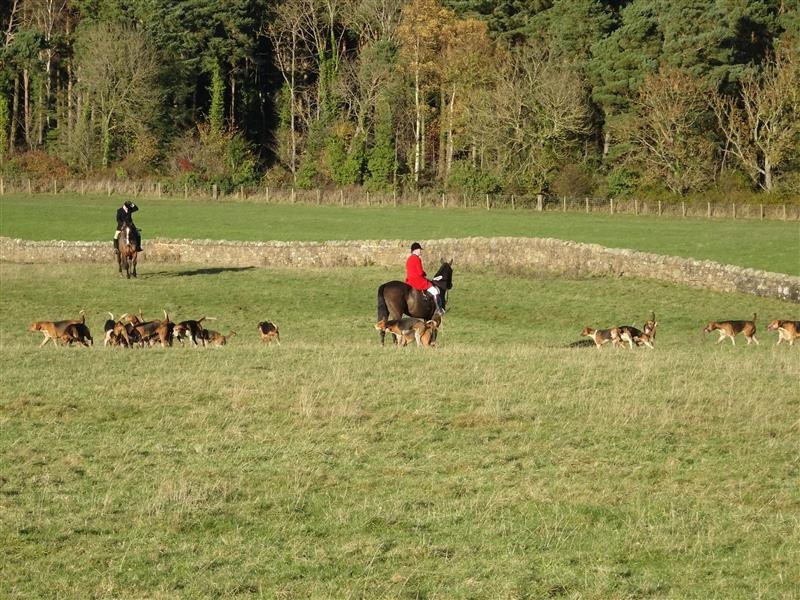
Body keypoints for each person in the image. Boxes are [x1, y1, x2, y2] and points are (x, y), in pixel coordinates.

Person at [405, 242, 444, 314]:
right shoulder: (417, 259)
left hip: (409, 280)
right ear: (416, 250)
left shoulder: (409, 259)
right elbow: (420, 272)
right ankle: (439, 309)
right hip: (418, 281)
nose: (420, 251)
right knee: (434, 290)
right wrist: (424, 273)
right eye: (419, 250)